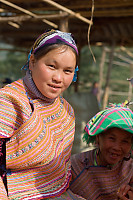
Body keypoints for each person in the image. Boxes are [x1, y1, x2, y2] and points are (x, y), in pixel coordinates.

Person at [0, 29, 85, 199]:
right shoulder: (10, 102)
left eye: (67, 71)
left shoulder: (66, 110)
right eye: (52, 66)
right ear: (32, 62)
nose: (58, 78)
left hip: (54, 190)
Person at [69, 101, 133, 200]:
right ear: (98, 137)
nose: (117, 147)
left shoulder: (130, 169)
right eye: (112, 138)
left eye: (125, 141)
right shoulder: (76, 167)